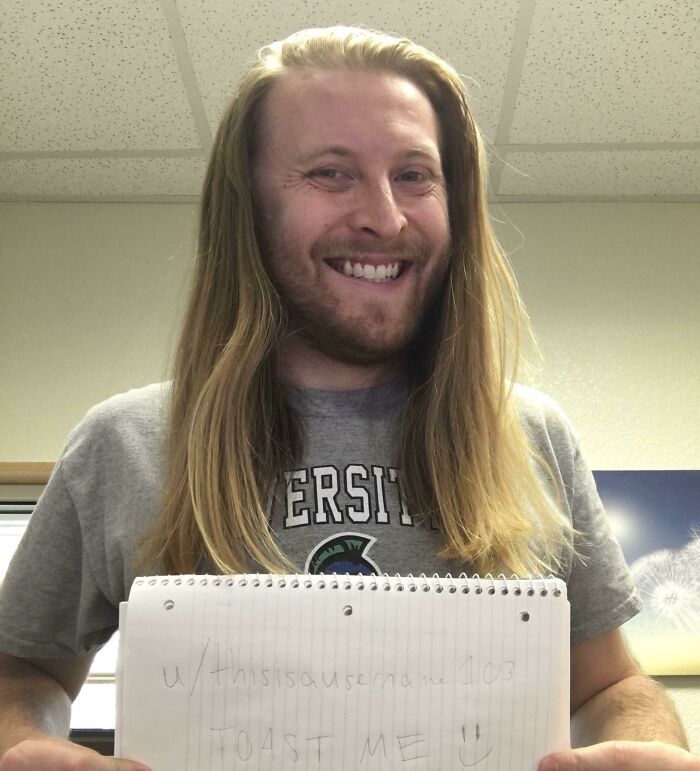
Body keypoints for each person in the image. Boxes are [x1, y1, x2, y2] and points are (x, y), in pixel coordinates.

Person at [0, 25, 695, 771]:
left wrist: (646, 743)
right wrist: (27, 744)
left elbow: (613, 683)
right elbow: (24, 675)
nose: (385, 218)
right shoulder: (122, 444)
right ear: (250, 210)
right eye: (331, 174)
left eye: (415, 175)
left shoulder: (532, 436)